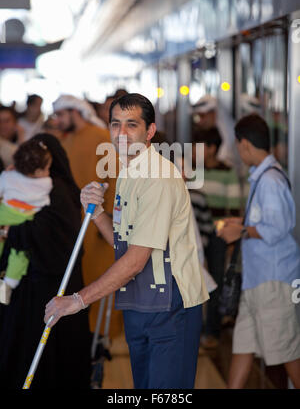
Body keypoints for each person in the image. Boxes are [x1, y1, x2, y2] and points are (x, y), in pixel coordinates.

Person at [44, 93, 209, 389]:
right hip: (139, 303)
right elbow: (122, 243)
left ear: (149, 131)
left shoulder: (157, 177)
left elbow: (136, 260)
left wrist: (78, 300)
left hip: (170, 307)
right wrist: (97, 213)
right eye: (115, 124)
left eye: (131, 125)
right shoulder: (127, 172)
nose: (121, 133)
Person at [0, 133, 91, 389]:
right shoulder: (33, 184)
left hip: (48, 286)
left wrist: (10, 230)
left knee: (41, 352)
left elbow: (53, 237)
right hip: (33, 283)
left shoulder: (58, 191)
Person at [218, 113, 300, 389]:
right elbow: (266, 222)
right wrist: (242, 224)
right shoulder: (263, 177)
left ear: (244, 146)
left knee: (287, 353)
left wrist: (241, 231)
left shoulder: (270, 181)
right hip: (256, 281)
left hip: (273, 281)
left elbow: (277, 228)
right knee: (243, 347)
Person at [52, 94, 122, 339]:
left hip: (99, 225)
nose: (57, 121)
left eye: (61, 115)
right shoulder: (66, 140)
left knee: (101, 279)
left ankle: (103, 339)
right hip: (74, 223)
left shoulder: (102, 138)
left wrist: (111, 220)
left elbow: (114, 181)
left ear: (75, 112)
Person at [194, 128, 244, 349]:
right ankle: (195, 328)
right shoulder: (192, 170)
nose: (195, 150)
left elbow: (233, 210)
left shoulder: (227, 172)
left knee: (213, 281)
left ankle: (211, 330)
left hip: (217, 236)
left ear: (212, 148)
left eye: (200, 145)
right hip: (193, 234)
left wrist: (223, 234)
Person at [0, 138, 52, 305]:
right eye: (47, 168)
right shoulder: (47, 184)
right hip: (23, 220)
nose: (48, 172)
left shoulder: (7, 176)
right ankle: (7, 285)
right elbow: (45, 205)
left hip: (4, 213)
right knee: (20, 254)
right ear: (37, 172)